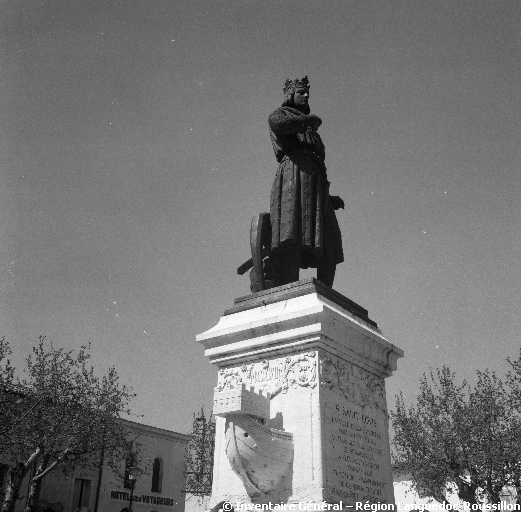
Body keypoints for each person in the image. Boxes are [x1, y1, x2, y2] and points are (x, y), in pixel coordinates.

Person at [268, 75, 344, 288]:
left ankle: (325, 291)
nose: (306, 95)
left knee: (332, 244)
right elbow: (280, 124)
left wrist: (328, 196)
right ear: (290, 94)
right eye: (301, 92)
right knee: (292, 234)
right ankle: (290, 287)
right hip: (294, 177)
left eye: (307, 92)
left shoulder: (314, 134)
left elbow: (320, 164)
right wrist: (306, 122)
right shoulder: (280, 114)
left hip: (317, 186)